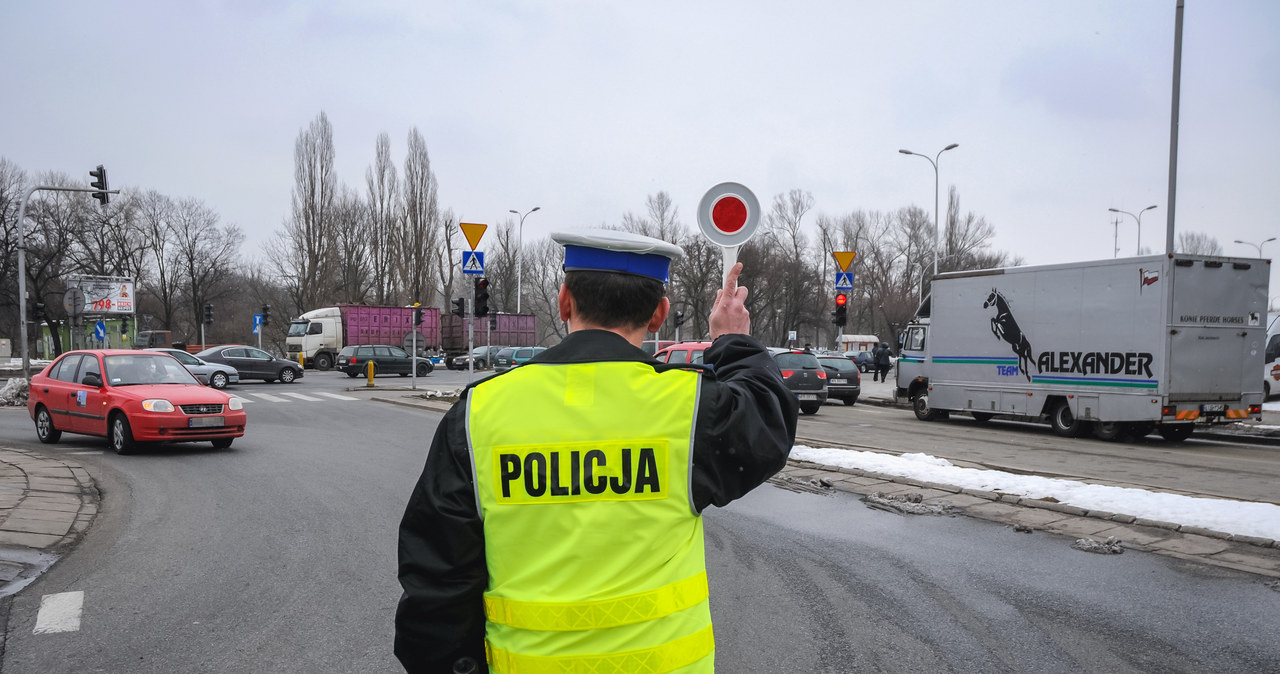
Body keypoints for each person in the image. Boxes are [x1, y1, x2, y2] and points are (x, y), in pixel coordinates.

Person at [395, 229, 799, 674]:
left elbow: (437, 581)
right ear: (659, 315)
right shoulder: (691, 410)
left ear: (564, 301)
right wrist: (732, 340)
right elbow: (768, 418)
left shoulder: (478, 414)